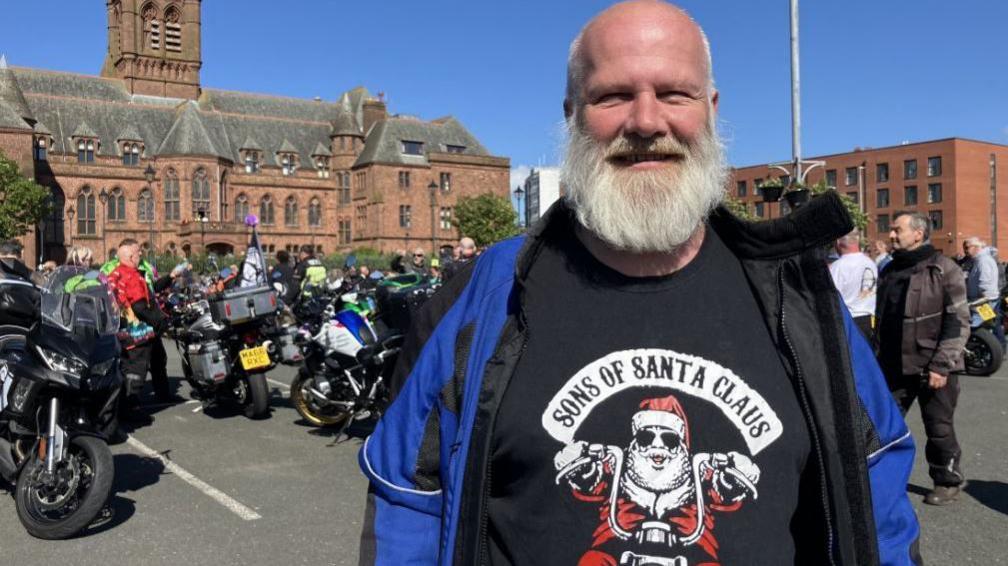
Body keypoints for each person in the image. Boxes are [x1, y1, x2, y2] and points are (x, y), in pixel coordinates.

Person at [357, 3, 919, 565]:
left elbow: (877, 503)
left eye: (675, 93)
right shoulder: (483, 300)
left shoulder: (797, 301)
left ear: (711, 109)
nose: (647, 122)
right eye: (613, 96)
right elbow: (408, 505)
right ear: (572, 113)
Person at [876, 211, 969, 506]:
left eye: (897, 229)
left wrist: (942, 365)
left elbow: (958, 322)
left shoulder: (944, 269)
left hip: (933, 366)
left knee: (938, 428)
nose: (891, 234)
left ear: (918, 234)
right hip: (893, 366)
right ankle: (879, 481)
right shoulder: (888, 270)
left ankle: (947, 480)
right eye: (891, 230)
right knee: (882, 425)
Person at [107, 239, 171, 420]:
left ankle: (145, 401)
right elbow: (140, 306)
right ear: (129, 256)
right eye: (137, 253)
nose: (140, 255)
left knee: (148, 362)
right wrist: (160, 321)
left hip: (124, 328)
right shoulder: (130, 275)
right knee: (135, 372)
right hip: (137, 331)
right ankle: (129, 410)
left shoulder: (114, 273)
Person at [828, 229, 877, 339]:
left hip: (849, 320)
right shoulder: (870, 263)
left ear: (838, 242)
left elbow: (831, 297)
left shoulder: (837, 267)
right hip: (870, 321)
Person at [963, 236, 1004, 345]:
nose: (965, 251)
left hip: (984, 301)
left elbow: (985, 283)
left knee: (978, 328)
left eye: (967, 247)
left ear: (977, 247)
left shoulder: (983, 261)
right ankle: (999, 351)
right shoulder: (980, 260)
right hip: (986, 299)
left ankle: (996, 352)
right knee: (993, 327)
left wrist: (979, 300)